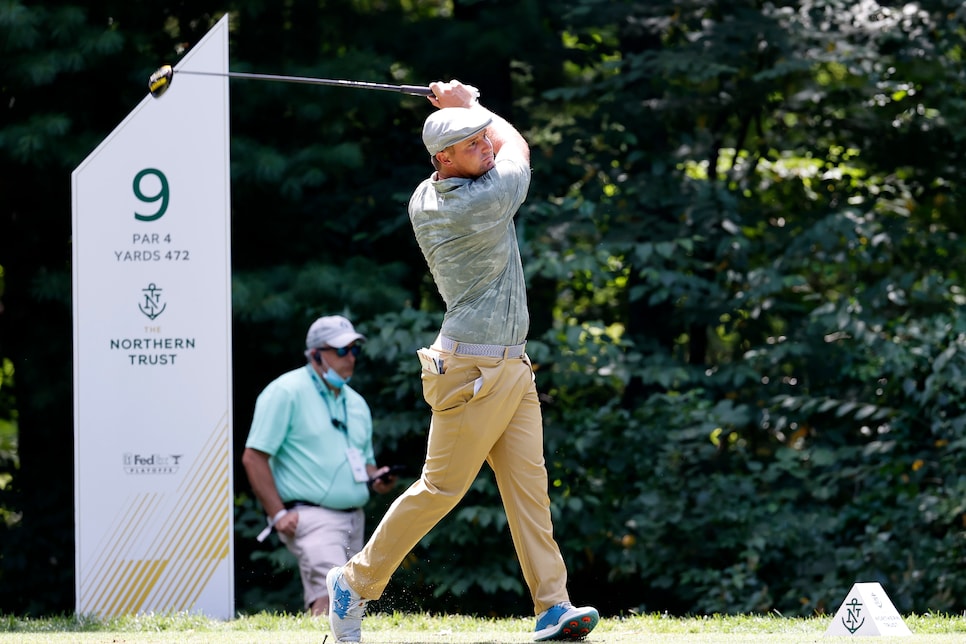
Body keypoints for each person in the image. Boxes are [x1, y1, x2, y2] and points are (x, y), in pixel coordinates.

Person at [325, 81, 599, 642]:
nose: (487, 147)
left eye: (482, 141)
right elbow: (519, 144)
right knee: (440, 490)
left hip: (511, 366)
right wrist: (465, 103)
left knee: (529, 488)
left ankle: (553, 606)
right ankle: (353, 582)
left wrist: (462, 116)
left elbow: (496, 146)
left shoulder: (426, 195)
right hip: (472, 370)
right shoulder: (483, 199)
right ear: (443, 159)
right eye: (472, 145)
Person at [242, 314, 399, 616]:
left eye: (355, 350)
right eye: (341, 350)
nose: (350, 357)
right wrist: (277, 514)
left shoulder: (356, 403)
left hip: (355, 519)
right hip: (312, 517)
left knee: (351, 605)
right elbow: (253, 457)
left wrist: (377, 478)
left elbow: (365, 466)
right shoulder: (285, 392)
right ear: (315, 354)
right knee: (330, 600)